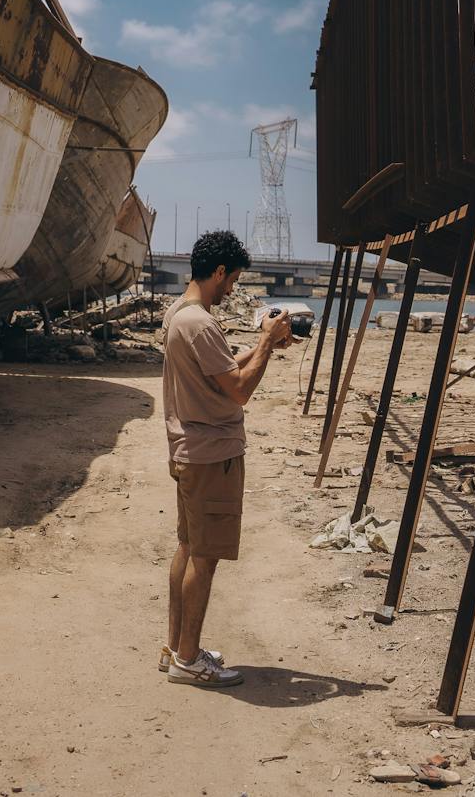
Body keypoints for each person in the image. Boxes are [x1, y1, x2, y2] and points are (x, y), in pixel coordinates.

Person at [159, 230, 293, 687]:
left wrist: (264, 345)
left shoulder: (180, 314)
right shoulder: (199, 322)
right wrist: (268, 347)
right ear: (219, 272)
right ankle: (189, 661)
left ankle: (178, 649)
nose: (233, 287)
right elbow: (238, 391)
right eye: (233, 278)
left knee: (188, 546)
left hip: (188, 451)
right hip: (211, 454)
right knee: (205, 556)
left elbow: (220, 370)